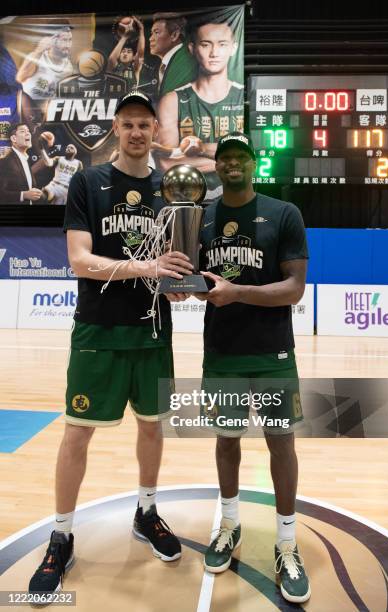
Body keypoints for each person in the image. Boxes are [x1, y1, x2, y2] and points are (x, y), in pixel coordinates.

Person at [28, 91, 194, 596]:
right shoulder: (88, 182)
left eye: (146, 124)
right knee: (77, 432)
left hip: (153, 330)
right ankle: (61, 535)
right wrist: (146, 267)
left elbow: (177, 264)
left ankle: (146, 512)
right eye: (129, 124)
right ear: (116, 130)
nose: (138, 132)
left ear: (155, 132)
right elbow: (80, 260)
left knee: (151, 427)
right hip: (98, 330)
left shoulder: (172, 189)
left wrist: (185, 283)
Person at [196, 132, 311, 603]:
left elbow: (293, 288)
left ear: (253, 163)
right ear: (218, 167)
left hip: (272, 353)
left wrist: (237, 292)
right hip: (222, 350)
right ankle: (229, 523)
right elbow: (197, 278)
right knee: (227, 441)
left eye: (241, 156)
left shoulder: (284, 214)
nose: (233, 164)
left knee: (280, 443)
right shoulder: (200, 219)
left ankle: (286, 542)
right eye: (225, 158)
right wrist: (188, 287)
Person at [156, 18, 243, 198]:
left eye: (222, 44)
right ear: (192, 49)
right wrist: (231, 161)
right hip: (186, 199)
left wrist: (201, 149)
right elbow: (166, 163)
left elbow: (255, 155)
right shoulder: (173, 100)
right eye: (205, 44)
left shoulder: (244, 97)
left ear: (233, 48)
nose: (214, 52)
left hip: (238, 198)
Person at [16, 21, 73, 100]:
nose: (68, 45)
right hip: (30, 108)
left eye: (70, 40)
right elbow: (20, 78)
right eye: (64, 40)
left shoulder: (68, 66)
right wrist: (38, 50)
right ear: (51, 40)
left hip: (50, 109)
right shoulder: (37, 57)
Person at [0, 123, 43, 204]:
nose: (28, 133)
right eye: (22, 131)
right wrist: (23, 195)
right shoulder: (5, 162)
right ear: (14, 138)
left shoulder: (25, 159)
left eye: (28, 131)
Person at [149, 13, 189, 99]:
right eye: (151, 33)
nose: (150, 38)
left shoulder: (184, 62)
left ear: (174, 35)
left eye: (156, 32)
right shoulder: (167, 63)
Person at [108, 16, 145, 91]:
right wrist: (124, 37)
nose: (125, 54)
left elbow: (140, 52)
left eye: (129, 52)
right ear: (119, 55)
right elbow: (112, 59)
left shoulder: (135, 68)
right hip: (115, 99)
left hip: (130, 99)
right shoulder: (113, 68)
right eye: (123, 51)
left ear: (133, 57)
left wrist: (141, 30)